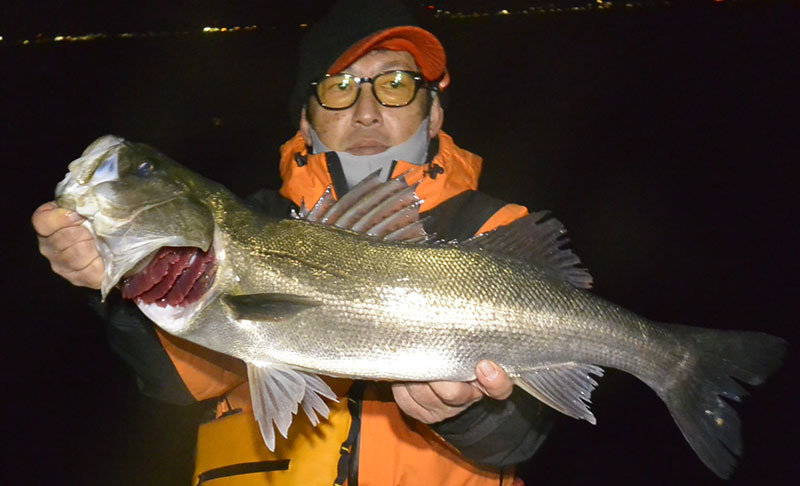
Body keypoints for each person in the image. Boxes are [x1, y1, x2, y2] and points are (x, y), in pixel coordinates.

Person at [32, 1, 551, 484]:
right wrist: (114, 277)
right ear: (306, 118)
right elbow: (175, 382)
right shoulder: (255, 220)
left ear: (433, 112)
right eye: (340, 87)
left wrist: (466, 413)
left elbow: (518, 441)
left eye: (395, 84)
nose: (367, 111)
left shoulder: (495, 232)